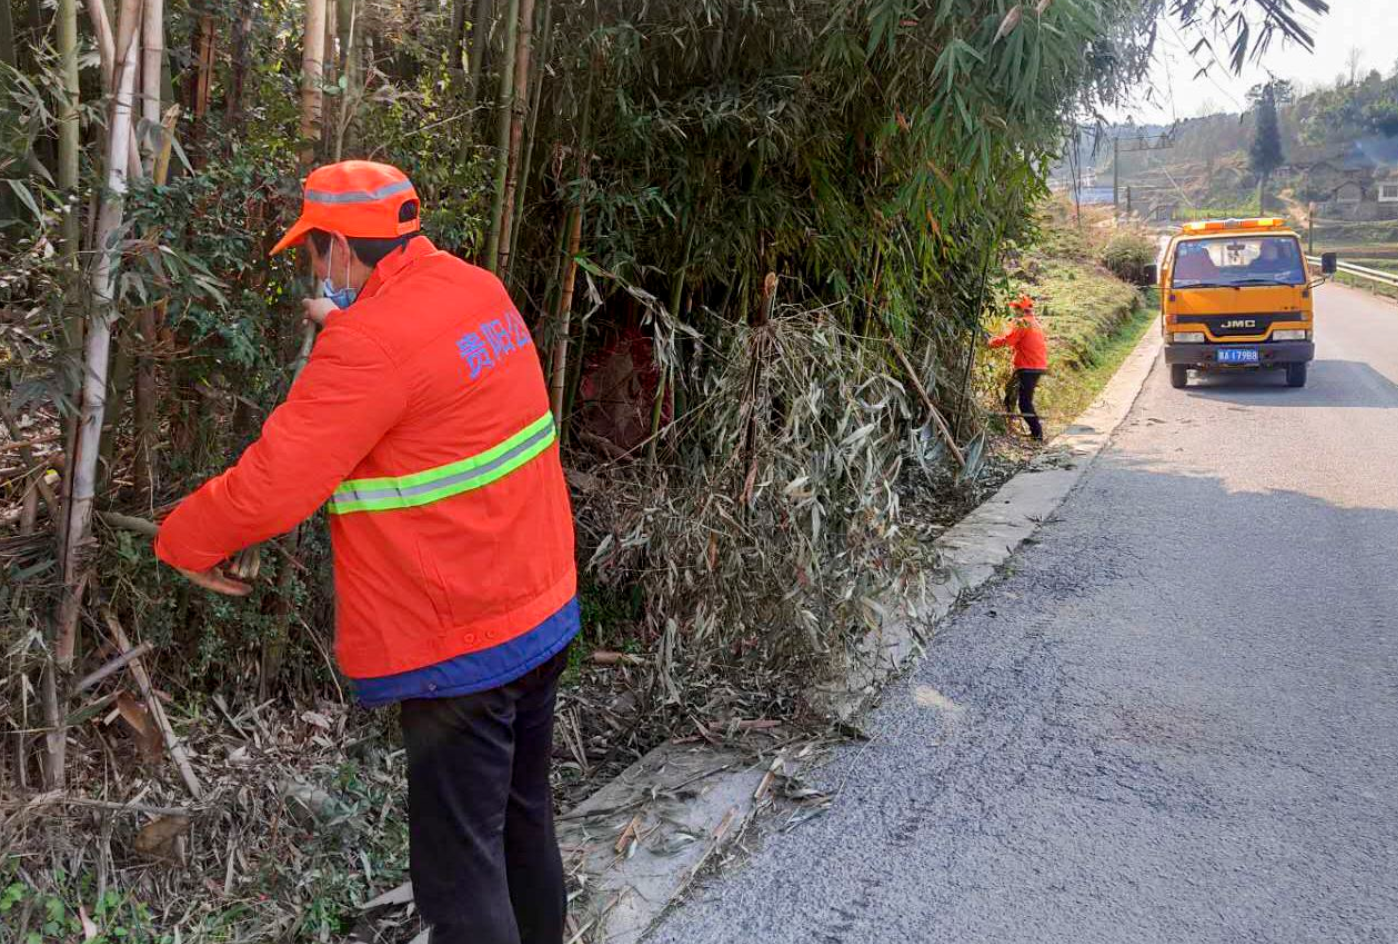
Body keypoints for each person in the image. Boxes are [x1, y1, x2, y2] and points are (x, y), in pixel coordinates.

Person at [153, 160, 578, 944]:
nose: (316, 270)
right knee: (524, 823)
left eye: (315, 253)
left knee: (461, 874)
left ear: (341, 248)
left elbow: (272, 489)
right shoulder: (475, 290)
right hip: (539, 606)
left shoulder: (368, 349)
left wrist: (178, 541)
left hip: (463, 643)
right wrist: (346, 333)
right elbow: (426, 384)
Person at [988, 294, 1049, 442]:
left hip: (1028, 367)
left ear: (1021, 309)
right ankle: (1009, 425)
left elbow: (1009, 340)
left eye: (1016, 309)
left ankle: (1037, 434)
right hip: (1034, 366)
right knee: (1010, 394)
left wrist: (989, 342)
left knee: (1024, 403)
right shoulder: (1034, 323)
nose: (1014, 312)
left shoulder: (1023, 323)